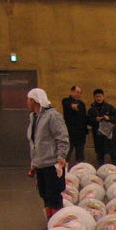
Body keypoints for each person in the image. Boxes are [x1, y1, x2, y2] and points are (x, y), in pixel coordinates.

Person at [26, 88, 69, 220]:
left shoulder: (52, 115)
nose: (27, 102)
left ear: (33, 100)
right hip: (40, 164)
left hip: (52, 164)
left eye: (28, 99)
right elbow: (35, 142)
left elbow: (62, 138)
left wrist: (61, 157)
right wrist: (34, 163)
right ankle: (50, 223)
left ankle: (58, 224)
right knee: (44, 194)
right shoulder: (34, 117)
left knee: (54, 195)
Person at [88, 88, 116, 165]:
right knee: (100, 155)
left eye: (100, 96)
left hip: (109, 136)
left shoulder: (110, 107)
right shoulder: (91, 109)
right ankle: (101, 170)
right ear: (94, 97)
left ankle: (115, 170)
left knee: (113, 154)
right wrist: (96, 119)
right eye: (97, 97)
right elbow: (88, 121)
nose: (98, 98)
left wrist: (109, 118)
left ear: (103, 97)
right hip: (98, 136)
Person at [61, 85, 88, 163]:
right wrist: (72, 106)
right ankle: (64, 170)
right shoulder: (66, 101)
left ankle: (79, 170)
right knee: (67, 153)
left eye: (80, 93)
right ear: (72, 92)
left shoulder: (82, 104)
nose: (78, 94)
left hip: (81, 134)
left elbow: (84, 118)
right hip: (70, 133)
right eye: (77, 92)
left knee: (80, 154)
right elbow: (68, 105)